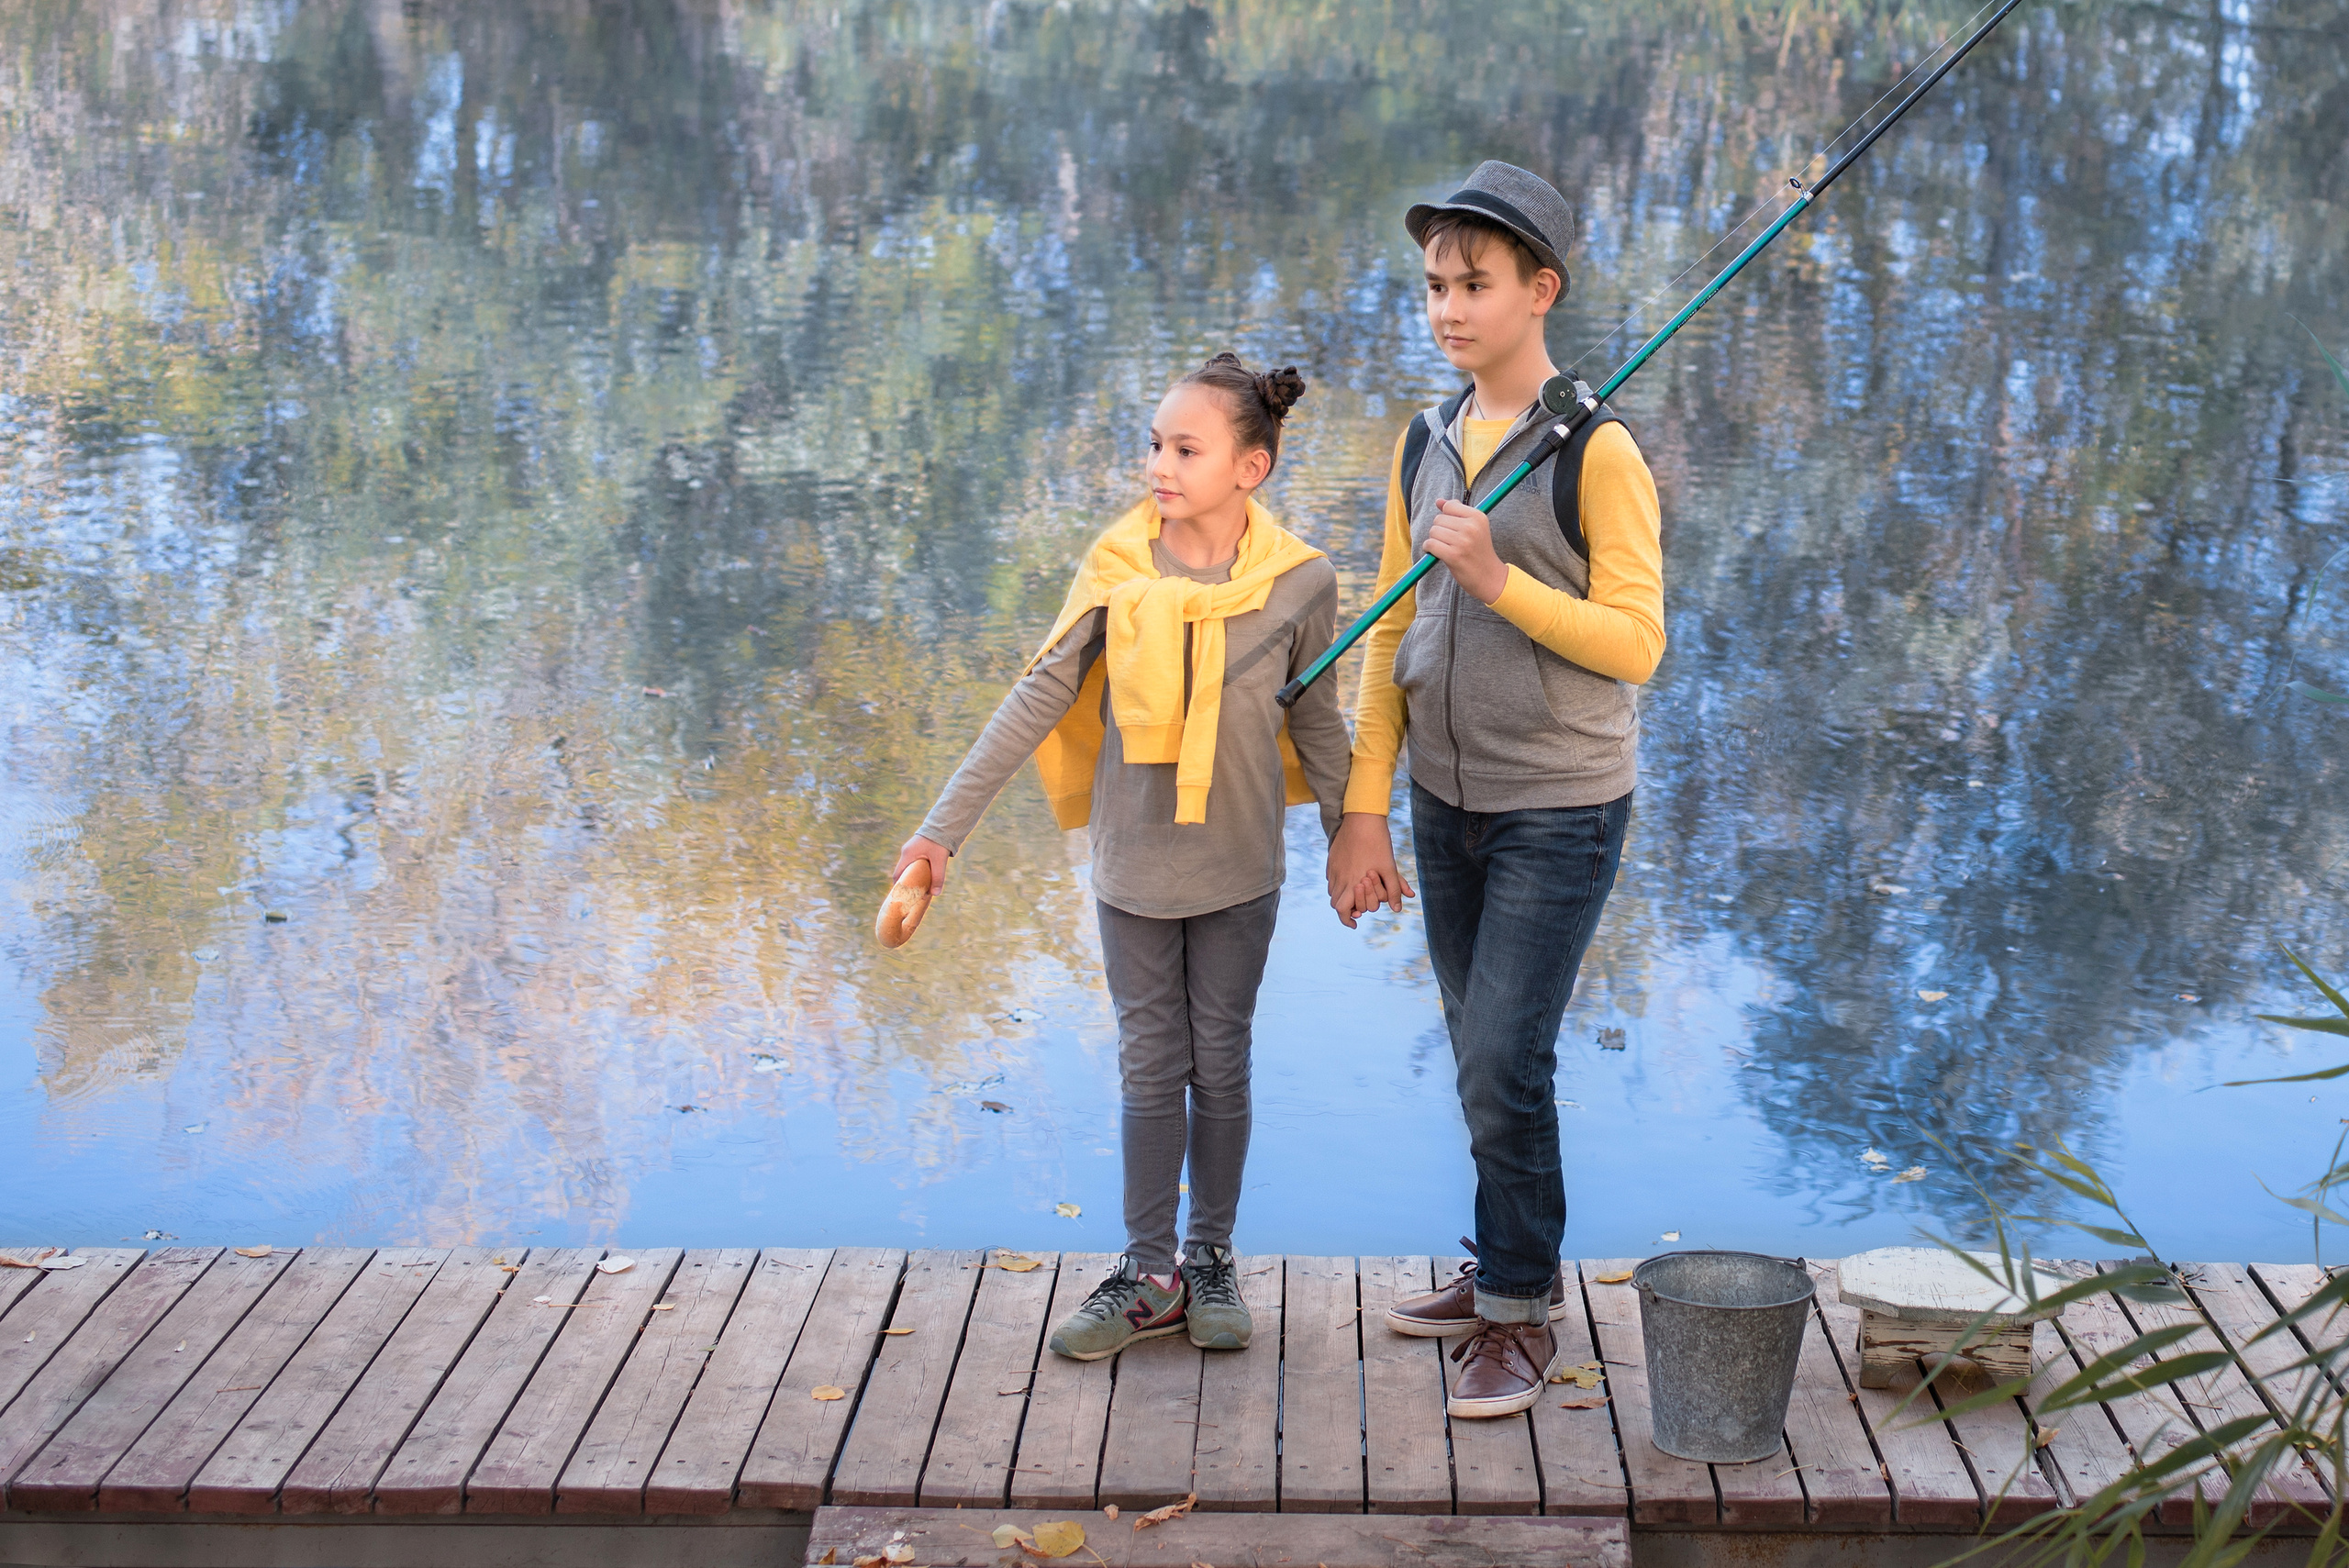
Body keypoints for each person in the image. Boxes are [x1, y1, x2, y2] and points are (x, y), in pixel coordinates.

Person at [893, 352, 1351, 1362]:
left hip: (1239, 865)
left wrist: (1353, 831)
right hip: (1134, 866)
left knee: (1219, 1056)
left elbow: (1319, 718)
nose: (1159, 464)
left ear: (1250, 467)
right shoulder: (1116, 567)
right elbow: (1037, 694)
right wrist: (941, 830)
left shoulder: (1299, 580)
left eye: (1186, 447)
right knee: (1152, 1061)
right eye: (1155, 443)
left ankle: (1211, 1258)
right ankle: (1147, 1270)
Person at [1324, 161, 1666, 1418]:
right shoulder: (1424, 440)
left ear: (1541, 291)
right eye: (1434, 286)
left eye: (1475, 284)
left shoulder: (1599, 452)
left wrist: (1499, 581)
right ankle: (1501, 1268)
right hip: (1442, 801)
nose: (1449, 308)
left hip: (1561, 806)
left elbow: (1638, 645)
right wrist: (1366, 805)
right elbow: (1383, 635)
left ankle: (1520, 1311)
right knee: (1482, 1055)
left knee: (1502, 1057)